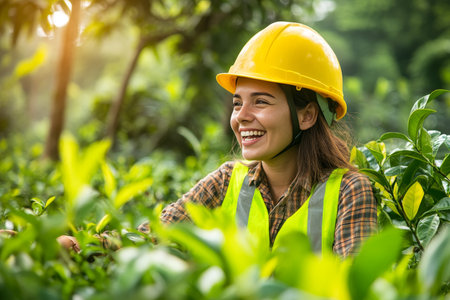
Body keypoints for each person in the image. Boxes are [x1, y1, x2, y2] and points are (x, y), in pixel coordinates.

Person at [156, 21, 377, 257]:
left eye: (261, 102)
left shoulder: (349, 191)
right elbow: (149, 239)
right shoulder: (225, 181)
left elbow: (355, 286)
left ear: (307, 115)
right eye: (237, 103)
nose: (241, 116)